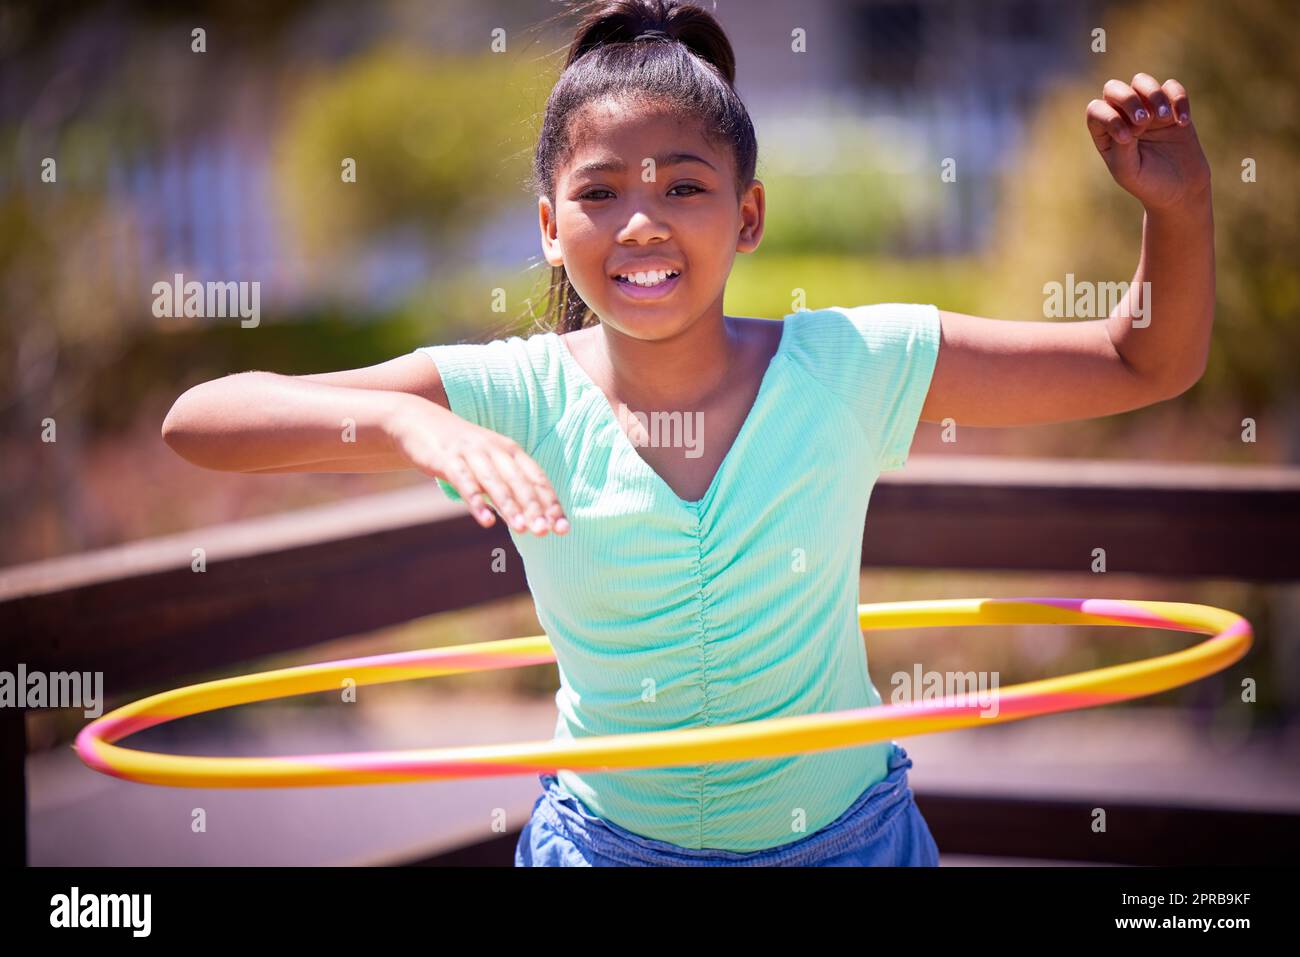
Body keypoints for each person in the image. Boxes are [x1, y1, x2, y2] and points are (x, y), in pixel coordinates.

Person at [160, 0, 1215, 866]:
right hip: (602, 851)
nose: (641, 223)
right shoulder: (510, 391)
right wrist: (403, 421)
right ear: (546, 223)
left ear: (747, 216)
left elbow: (1143, 361)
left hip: (845, 848)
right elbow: (196, 423)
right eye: (599, 192)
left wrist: (1176, 209)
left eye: (683, 186)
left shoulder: (851, 363)